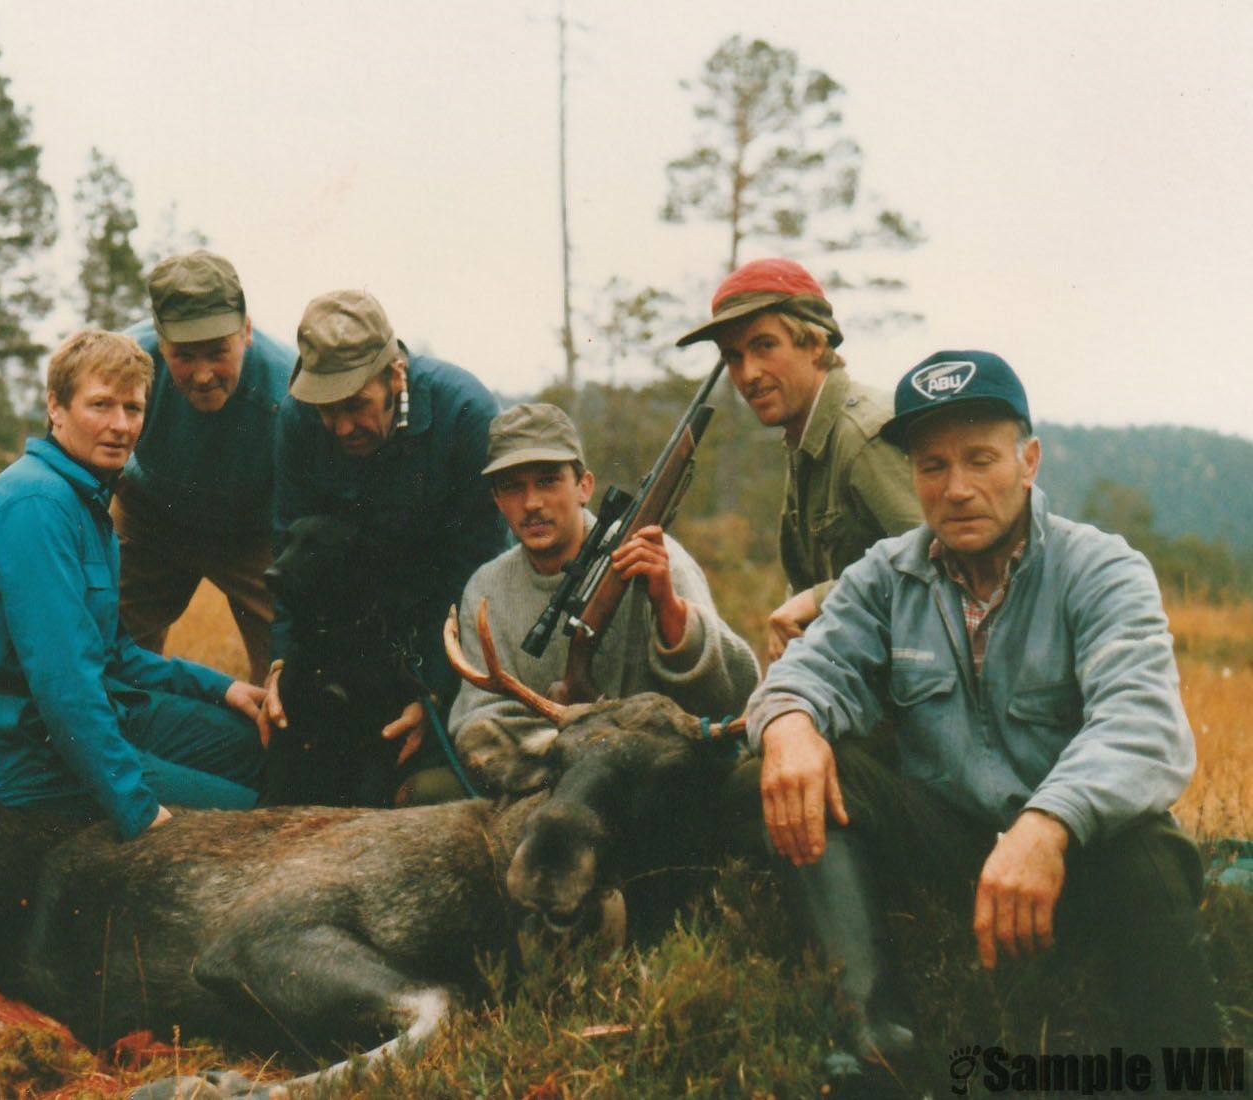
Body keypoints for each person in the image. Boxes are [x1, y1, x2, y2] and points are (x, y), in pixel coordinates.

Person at [736, 351, 1218, 1079]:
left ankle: (1183, 1073)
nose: (956, 489)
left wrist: (1047, 823)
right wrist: (789, 723)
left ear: (1029, 461)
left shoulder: (1102, 570)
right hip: (945, 834)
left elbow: (1140, 725)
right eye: (932, 467)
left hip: (1072, 849)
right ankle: (875, 1043)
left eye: (980, 460)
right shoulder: (885, 575)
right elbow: (813, 667)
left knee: (1152, 857)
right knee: (779, 772)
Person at [0, 327, 265, 838]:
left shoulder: (84, 500)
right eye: (100, 406)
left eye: (133, 409)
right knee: (247, 815)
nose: (120, 426)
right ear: (56, 408)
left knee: (258, 747)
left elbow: (114, 653)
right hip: (21, 750)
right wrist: (136, 807)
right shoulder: (37, 505)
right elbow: (64, 686)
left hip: (87, 716)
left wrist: (223, 688)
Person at [262, 289, 506, 802]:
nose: (342, 427)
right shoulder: (297, 418)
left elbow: (477, 575)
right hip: (358, 626)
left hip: (445, 604)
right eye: (327, 412)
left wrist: (435, 693)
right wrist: (283, 662)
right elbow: (290, 553)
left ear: (396, 376)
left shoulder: (465, 414)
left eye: (356, 406)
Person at [449, 402, 759, 756]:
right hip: (552, 781)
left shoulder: (654, 557)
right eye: (513, 487)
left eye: (548, 481)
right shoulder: (485, 589)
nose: (532, 503)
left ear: (585, 485)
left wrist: (669, 609)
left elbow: (734, 697)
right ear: (496, 499)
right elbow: (476, 723)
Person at [677, 258, 922, 659]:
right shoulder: (805, 437)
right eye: (733, 357)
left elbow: (941, 564)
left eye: (764, 345)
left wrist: (819, 600)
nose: (748, 373)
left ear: (814, 342)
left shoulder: (860, 436)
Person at [116, 251, 294, 683]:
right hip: (150, 518)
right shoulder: (120, 363)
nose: (202, 375)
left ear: (246, 331)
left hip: (254, 534)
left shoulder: (291, 387)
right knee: (105, 646)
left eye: (217, 352)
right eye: (184, 355)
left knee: (292, 667)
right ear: (159, 341)